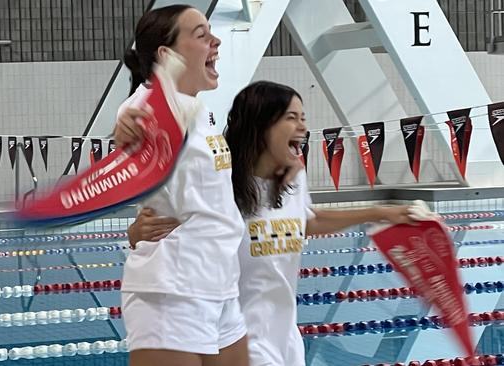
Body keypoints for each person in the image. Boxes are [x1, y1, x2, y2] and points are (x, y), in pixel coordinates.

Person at [127, 81, 419, 366]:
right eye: (291, 118)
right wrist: (136, 233)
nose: (303, 127)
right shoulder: (218, 184)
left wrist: (380, 213)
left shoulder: (293, 180)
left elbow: (309, 221)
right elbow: (165, 228)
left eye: (303, 118)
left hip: (285, 340)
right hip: (234, 338)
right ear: (261, 125)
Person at [113, 5, 249, 366]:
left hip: (219, 285)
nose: (216, 41)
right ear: (167, 54)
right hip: (172, 291)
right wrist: (128, 129)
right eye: (202, 35)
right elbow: (138, 127)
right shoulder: (146, 109)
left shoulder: (199, 109)